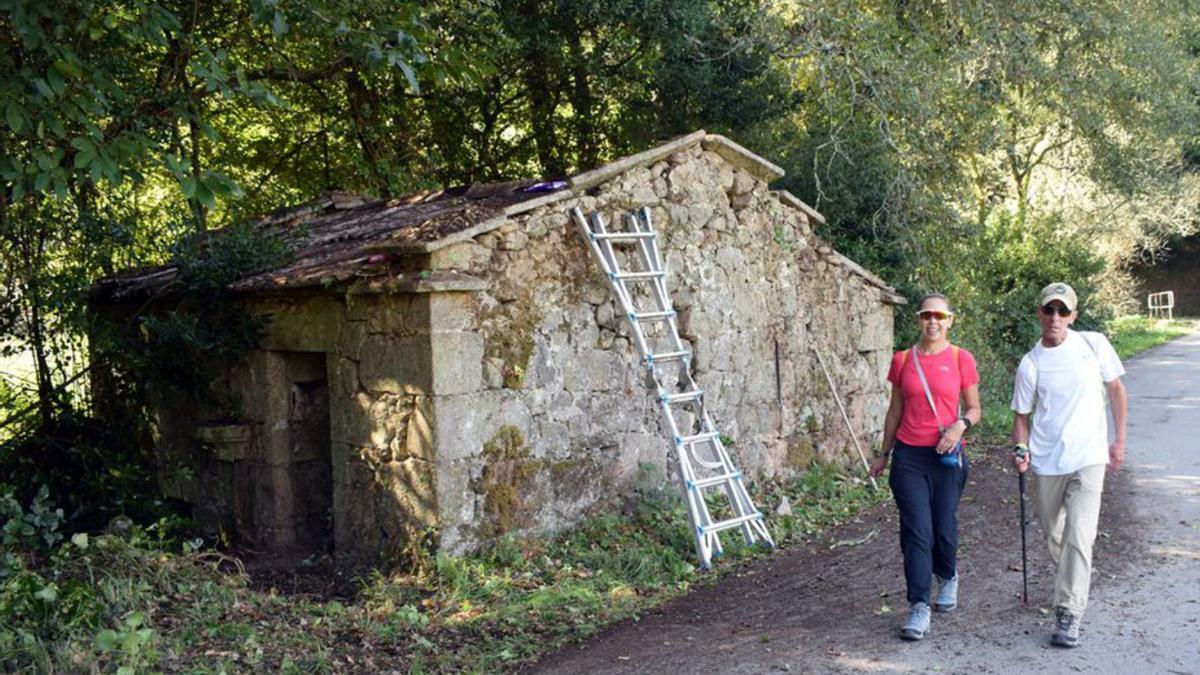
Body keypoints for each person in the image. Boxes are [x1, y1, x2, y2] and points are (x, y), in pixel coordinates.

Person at [1010, 282, 1127, 648]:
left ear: (1073, 316)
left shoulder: (1093, 345)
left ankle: (1069, 611)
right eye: (1049, 310)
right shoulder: (1031, 363)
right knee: (1053, 532)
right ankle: (1074, 579)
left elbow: (1117, 390)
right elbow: (1021, 416)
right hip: (1047, 461)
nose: (1055, 318)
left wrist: (1119, 439)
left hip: (1088, 457)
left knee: (1080, 534)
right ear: (1039, 314)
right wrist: (1020, 447)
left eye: (1063, 311)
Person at [870, 293, 982, 640]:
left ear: (950, 320)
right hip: (909, 457)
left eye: (939, 316)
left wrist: (960, 424)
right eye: (926, 315)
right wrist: (884, 453)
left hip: (947, 457)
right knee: (917, 532)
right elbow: (894, 411)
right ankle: (919, 606)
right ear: (918, 319)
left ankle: (947, 575)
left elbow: (975, 409)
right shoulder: (903, 360)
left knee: (943, 530)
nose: (933, 321)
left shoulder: (962, 358)